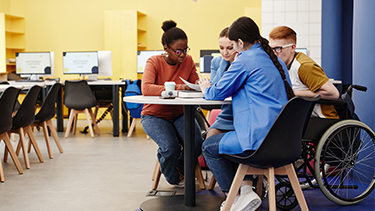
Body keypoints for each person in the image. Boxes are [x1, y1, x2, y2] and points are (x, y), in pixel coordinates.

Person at [198, 17, 294, 211]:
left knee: (209, 146)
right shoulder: (276, 60)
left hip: (258, 143)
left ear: (241, 43)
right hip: (284, 142)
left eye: (232, 45)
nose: (232, 50)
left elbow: (217, 92)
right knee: (226, 139)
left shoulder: (245, 60)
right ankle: (246, 190)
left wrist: (206, 88)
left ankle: (235, 197)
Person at [141, 20, 203, 186]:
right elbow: (146, 88)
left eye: (185, 49)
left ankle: (179, 168)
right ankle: (173, 176)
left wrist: (201, 84)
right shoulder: (153, 62)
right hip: (154, 116)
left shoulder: (188, 61)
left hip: (179, 113)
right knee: (170, 148)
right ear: (166, 49)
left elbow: (194, 84)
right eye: (178, 51)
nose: (182, 54)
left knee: (197, 144)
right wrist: (178, 87)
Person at [269, 26, 340, 119]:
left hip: (321, 119)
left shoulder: (304, 66)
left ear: (292, 48)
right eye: (271, 49)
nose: (274, 53)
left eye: (278, 48)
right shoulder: (284, 66)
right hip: (304, 117)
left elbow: (334, 94)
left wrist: (294, 93)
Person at [206, 27, 237, 138]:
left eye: (229, 48)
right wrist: (224, 62)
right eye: (221, 48)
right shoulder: (216, 62)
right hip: (226, 114)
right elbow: (215, 87)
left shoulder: (242, 62)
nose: (225, 52)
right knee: (208, 138)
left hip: (239, 113)